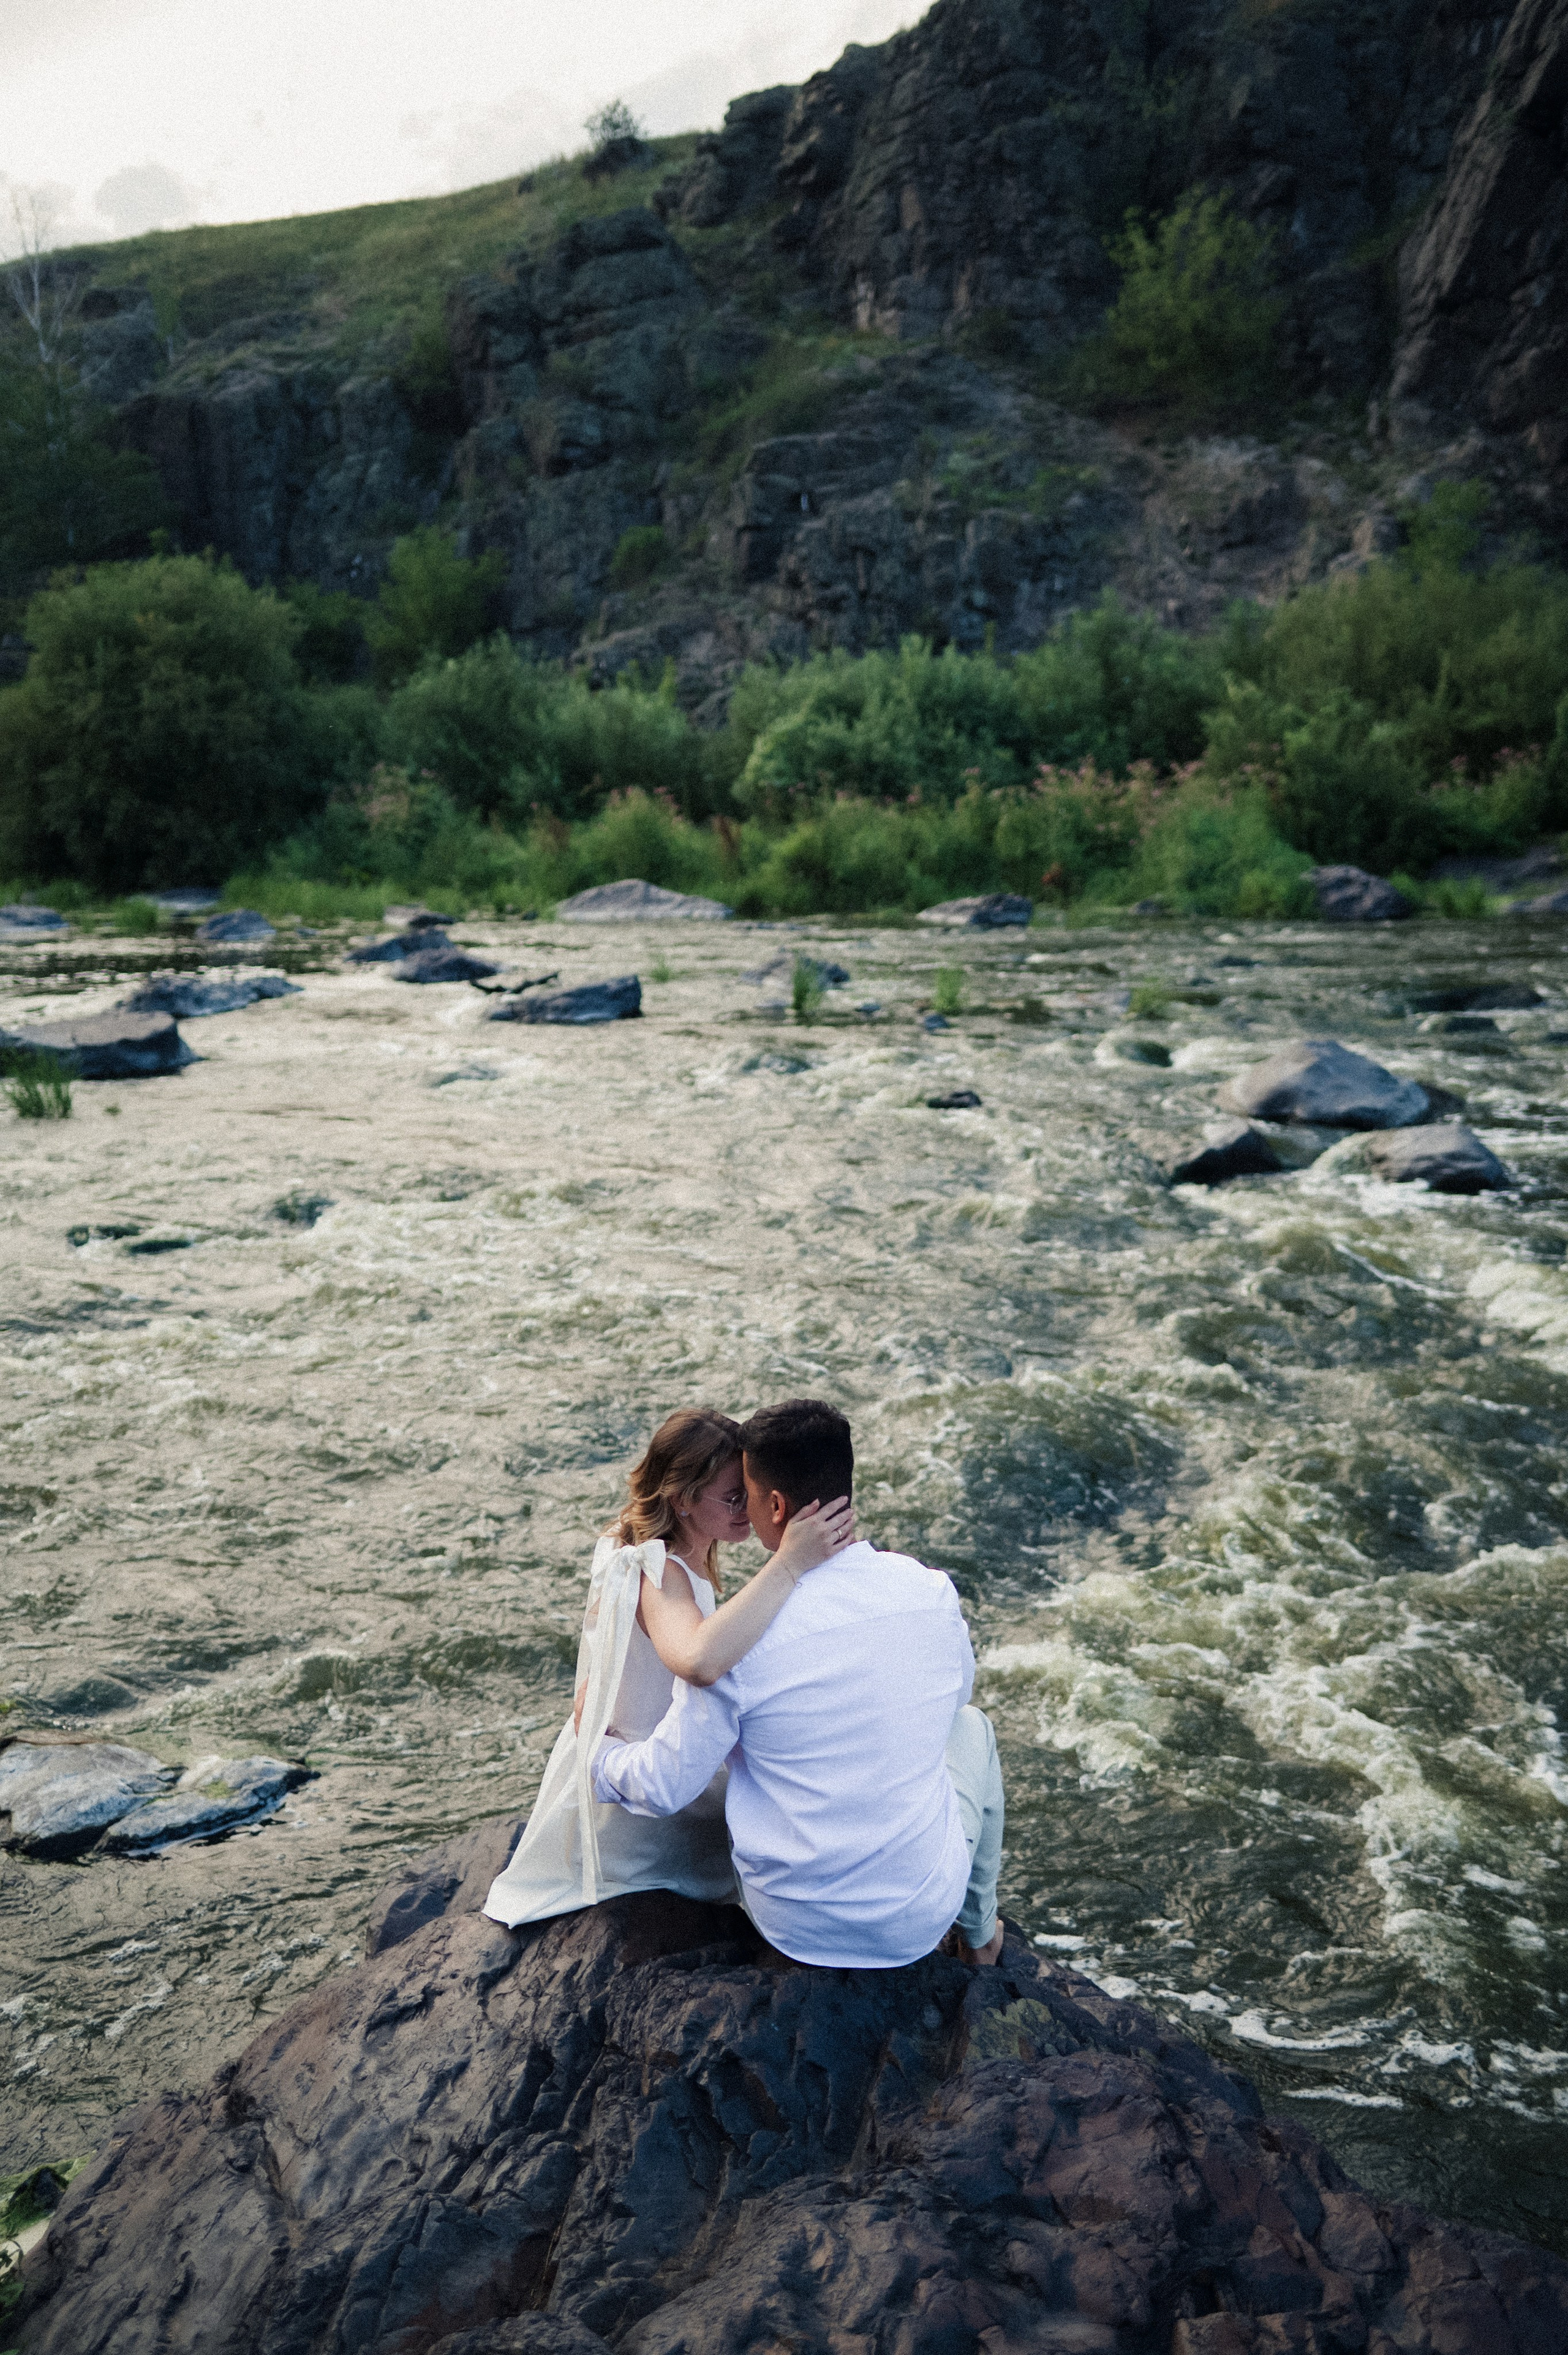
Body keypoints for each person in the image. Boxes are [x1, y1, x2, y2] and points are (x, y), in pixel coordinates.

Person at [590, 1397, 1006, 1968]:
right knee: (971, 1727)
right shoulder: (930, 1591)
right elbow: (953, 1699)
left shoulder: (740, 1641)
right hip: (917, 1917)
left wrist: (597, 1758)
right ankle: (979, 1936)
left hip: (794, 1921)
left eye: (745, 1494)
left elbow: (664, 1785)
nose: (742, 1509)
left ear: (775, 1505)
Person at [483, 1407, 852, 1928]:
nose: (749, 1509)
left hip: (642, 1754)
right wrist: (789, 1563)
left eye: (747, 1492)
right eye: (732, 1497)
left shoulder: (638, 1544)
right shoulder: (660, 1574)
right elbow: (698, 1660)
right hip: (647, 1800)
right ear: (682, 1499)